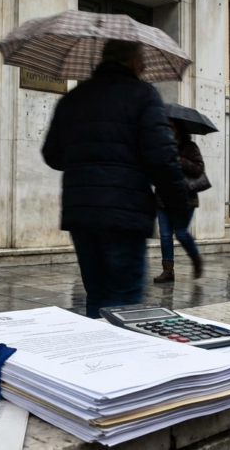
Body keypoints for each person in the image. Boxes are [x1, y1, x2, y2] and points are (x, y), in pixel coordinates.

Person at [42, 39, 189, 318]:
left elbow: (52, 156)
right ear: (131, 60)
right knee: (125, 299)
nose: (144, 66)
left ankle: (97, 345)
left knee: (96, 294)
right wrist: (178, 204)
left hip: (82, 213)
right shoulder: (143, 95)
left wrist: (85, 156)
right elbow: (162, 158)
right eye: (142, 59)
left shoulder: (73, 98)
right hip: (125, 212)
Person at [153, 119, 205, 283]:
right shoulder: (162, 147)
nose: (169, 129)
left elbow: (199, 169)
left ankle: (196, 259)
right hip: (164, 197)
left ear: (179, 128)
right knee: (165, 235)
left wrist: (180, 160)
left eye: (172, 126)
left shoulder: (190, 147)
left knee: (181, 233)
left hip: (184, 198)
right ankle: (168, 271)